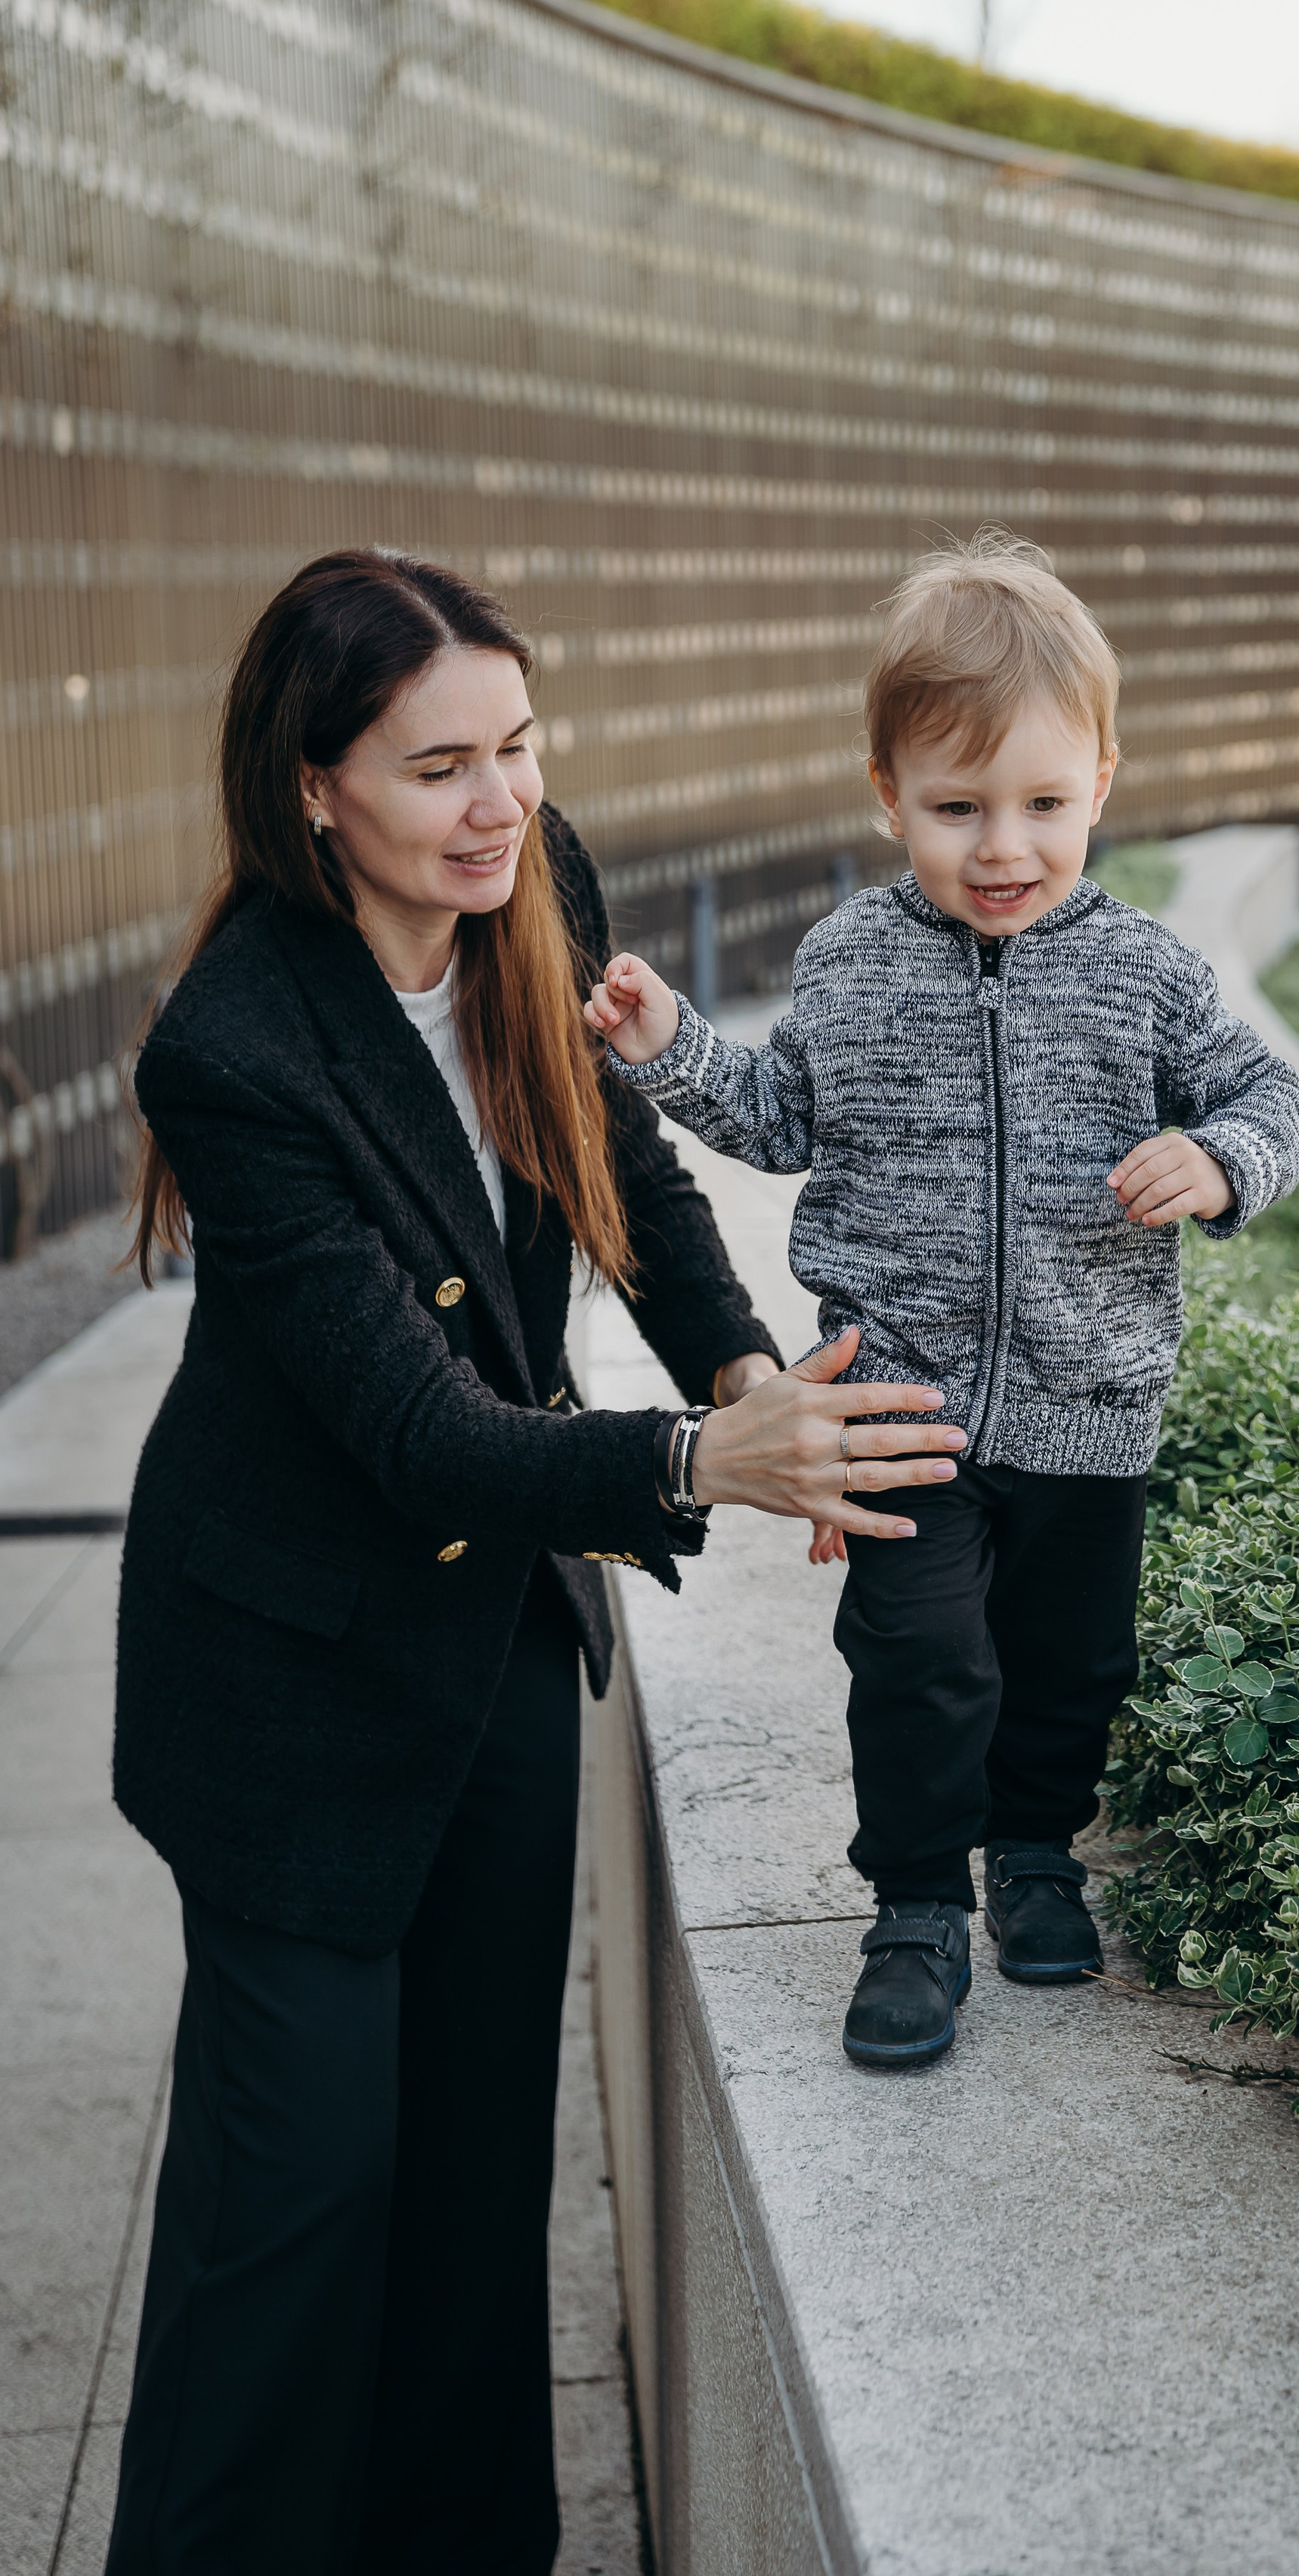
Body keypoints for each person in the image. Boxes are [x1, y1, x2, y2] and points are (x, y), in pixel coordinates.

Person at [104, 549, 963, 2576]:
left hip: (490, 1649)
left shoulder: (533, 876)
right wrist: (698, 1456)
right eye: (437, 769)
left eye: (517, 747)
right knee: (298, 2211)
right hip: (287, 1691)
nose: (496, 805)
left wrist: (765, 1388)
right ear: (315, 788)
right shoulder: (233, 1048)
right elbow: (415, 1433)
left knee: (478, 2194)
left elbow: (630, 1175)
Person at [586, 532, 1299, 2071]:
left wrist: (1218, 1156)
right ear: (884, 793)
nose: (1001, 846)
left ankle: (1032, 1853)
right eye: (955, 807)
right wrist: (669, 1048)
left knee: (1068, 1664)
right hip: (901, 1402)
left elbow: (1266, 1092)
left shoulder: (1145, 973)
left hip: (1087, 1399)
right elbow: (777, 1116)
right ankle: (913, 1904)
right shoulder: (849, 961)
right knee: (919, 1662)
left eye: (1042, 804)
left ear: (1100, 781)